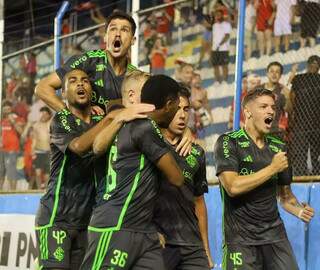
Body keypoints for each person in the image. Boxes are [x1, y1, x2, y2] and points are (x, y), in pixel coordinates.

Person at [34, 69, 153, 270]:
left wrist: (184, 133)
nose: (80, 84)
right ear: (63, 93)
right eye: (72, 81)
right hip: (57, 217)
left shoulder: (102, 120)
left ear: (91, 89)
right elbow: (79, 147)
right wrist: (111, 118)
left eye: (85, 81)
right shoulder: (62, 120)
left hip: (88, 220)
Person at [80, 75, 184, 270]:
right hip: (116, 223)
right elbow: (177, 178)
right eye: (177, 106)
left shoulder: (125, 122)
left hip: (142, 229)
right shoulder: (142, 126)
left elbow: (98, 146)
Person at [214, 88, 314, 270]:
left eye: (273, 107)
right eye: (263, 106)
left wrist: (300, 210)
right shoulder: (228, 142)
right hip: (240, 240)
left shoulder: (279, 147)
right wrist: (272, 168)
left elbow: (285, 197)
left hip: (275, 236)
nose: (270, 111)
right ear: (247, 112)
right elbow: (232, 187)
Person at [153, 87, 213, 269]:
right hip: (162, 243)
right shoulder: (149, 145)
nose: (182, 115)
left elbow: (199, 204)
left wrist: (206, 250)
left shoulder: (196, 152)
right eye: (176, 109)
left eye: (186, 109)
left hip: (192, 245)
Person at [35, 11, 137, 114]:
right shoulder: (87, 61)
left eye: (124, 30)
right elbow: (42, 88)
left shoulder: (136, 77)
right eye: (113, 29)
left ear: (133, 40)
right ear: (105, 37)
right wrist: (72, 116)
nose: (118, 34)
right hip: (87, 128)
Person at [289, 55, 320, 176]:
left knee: (316, 154)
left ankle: (317, 178)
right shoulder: (299, 78)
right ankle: (299, 177)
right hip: (300, 123)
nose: (314, 65)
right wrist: (292, 115)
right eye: (312, 63)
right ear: (307, 64)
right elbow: (292, 96)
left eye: (317, 63)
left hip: (317, 123)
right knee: (300, 154)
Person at [261, 61, 291, 137]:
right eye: (272, 71)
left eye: (277, 72)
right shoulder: (257, 90)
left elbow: (289, 110)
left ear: (280, 75)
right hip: (259, 131)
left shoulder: (283, 90)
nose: (274, 74)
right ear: (267, 73)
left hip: (276, 132)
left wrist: (288, 98)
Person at [0, 100, 25, 190]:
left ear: (11, 109)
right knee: (1, 172)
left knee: (12, 173)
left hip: (12, 150)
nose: (6, 111)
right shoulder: (2, 120)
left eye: (8, 109)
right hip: (2, 150)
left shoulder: (17, 118)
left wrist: (13, 121)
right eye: (4, 109)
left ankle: (13, 193)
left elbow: (21, 132)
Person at [31, 107, 52, 189]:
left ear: (49, 115)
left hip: (49, 152)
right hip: (38, 152)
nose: (43, 116)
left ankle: (46, 191)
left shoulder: (52, 124)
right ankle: (39, 190)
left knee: (47, 175)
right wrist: (32, 150)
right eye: (42, 114)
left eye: (45, 114)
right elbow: (34, 139)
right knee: (37, 173)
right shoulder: (36, 125)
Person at [211, 8, 232, 83]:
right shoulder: (214, 26)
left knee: (224, 65)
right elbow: (213, 37)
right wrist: (213, 47)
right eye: (216, 15)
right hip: (214, 49)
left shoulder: (227, 24)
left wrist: (219, 45)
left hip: (224, 49)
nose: (217, 16)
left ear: (222, 15)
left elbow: (227, 36)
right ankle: (218, 81)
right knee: (215, 66)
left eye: (219, 15)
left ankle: (225, 81)